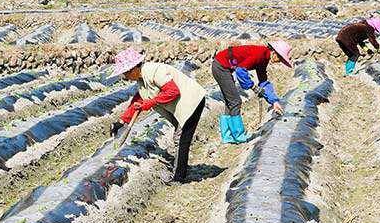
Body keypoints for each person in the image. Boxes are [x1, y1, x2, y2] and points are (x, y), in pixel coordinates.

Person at [109, 49, 207, 183]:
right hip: (183, 106)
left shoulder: (154, 71)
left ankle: (178, 177)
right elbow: (138, 100)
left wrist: (150, 103)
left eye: (125, 73)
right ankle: (181, 171)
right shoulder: (141, 79)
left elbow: (173, 91)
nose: (125, 77)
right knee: (181, 138)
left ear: (133, 68)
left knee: (180, 139)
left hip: (192, 102)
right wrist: (121, 121)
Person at [211, 41, 292, 144]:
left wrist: (274, 101)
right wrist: (253, 87)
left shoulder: (264, 58)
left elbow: (263, 81)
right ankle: (239, 135)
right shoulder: (260, 54)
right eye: (279, 59)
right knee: (235, 101)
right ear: (274, 53)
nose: (279, 62)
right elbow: (240, 70)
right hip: (221, 66)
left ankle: (227, 136)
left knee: (230, 101)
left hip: (224, 67)